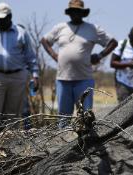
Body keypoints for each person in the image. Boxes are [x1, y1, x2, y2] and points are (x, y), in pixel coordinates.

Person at [41, 0, 118, 128]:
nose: (75, 13)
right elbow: (44, 40)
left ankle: (86, 145)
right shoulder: (61, 27)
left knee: (85, 117)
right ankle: (62, 145)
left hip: (84, 80)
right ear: (69, 13)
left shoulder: (92, 29)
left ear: (83, 13)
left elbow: (113, 42)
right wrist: (54, 55)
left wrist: (100, 55)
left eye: (78, 11)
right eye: (73, 11)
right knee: (63, 118)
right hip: (63, 80)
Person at [0, 2, 39, 137]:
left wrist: (35, 75)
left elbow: (30, 56)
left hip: (17, 77)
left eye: (3, 19)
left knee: (12, 117)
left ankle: (9, 150)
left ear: (10, 17)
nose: (0, 21)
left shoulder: (21, 33)